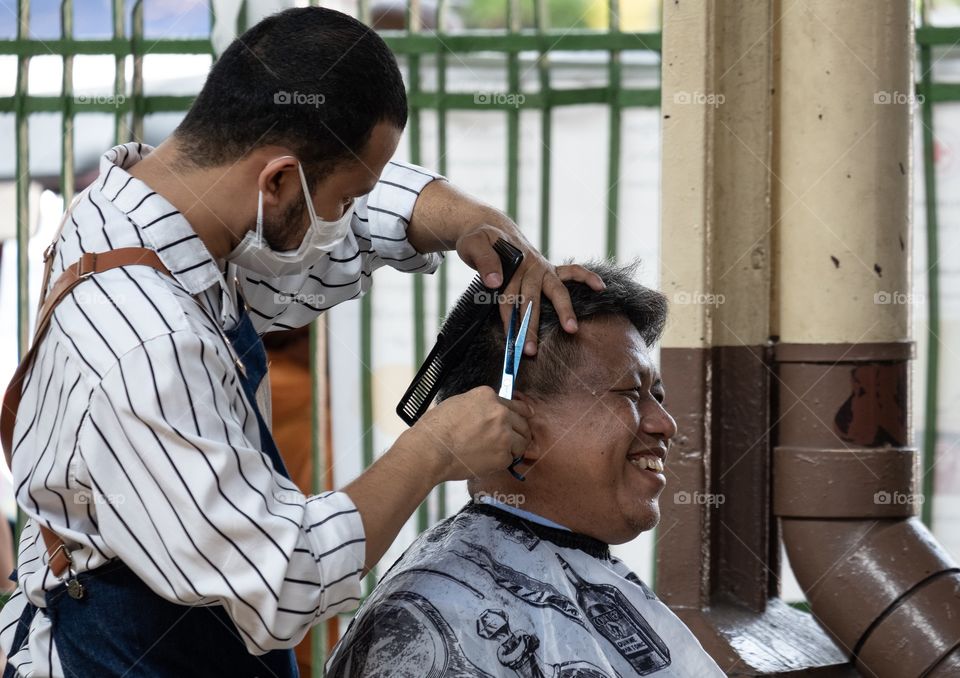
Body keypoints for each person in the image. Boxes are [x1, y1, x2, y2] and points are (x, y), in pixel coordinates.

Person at [0, 7, 604, 677]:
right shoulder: (148, 343)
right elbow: (284, 579)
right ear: (278, 180)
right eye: (345, 199)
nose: (346, 221)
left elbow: (349, 224)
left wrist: (473, 221)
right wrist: (434, 448)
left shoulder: (145, 212)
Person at [326, 260, 725, 678]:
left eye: (656, 394)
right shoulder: (431, 619)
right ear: (517, 426)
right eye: (630, 393)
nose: (665, 423)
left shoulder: (588, 570)